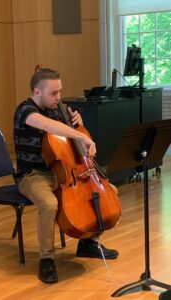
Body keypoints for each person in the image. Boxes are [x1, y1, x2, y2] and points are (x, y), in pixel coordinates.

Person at [13, 68, 119, 284]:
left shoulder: (57, 110)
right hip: (33, 176)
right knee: (49, 204)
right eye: (54, 93)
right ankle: (47, 260)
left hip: (63, 172)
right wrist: (76, 132)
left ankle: (88, 242)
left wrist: (78, 124)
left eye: (60, 91)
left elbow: (71, 145)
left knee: (108, 193)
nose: (59, 98)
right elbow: (47, 125)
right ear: (36, 92)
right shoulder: (25, 111)